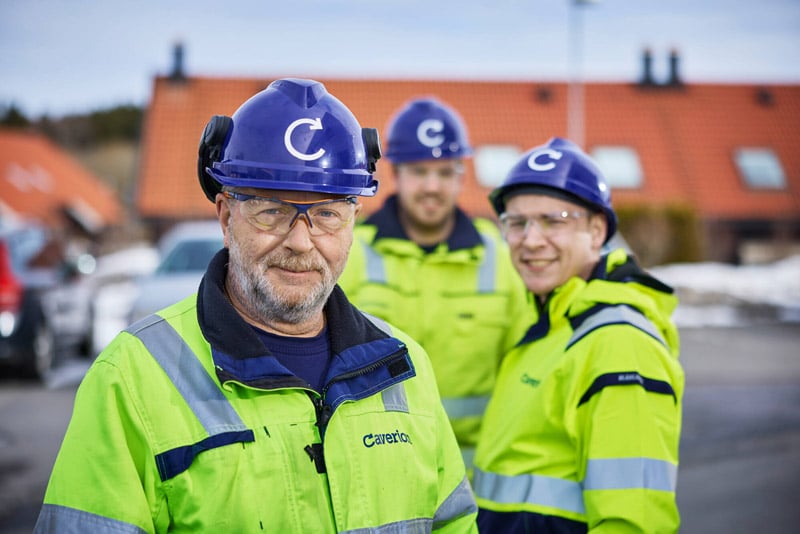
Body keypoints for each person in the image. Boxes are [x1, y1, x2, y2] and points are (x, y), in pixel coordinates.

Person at [35, 78, 478, 533]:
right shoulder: (131, 378)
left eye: (326, 213)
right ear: (226, 217)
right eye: (272, 211)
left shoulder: (405, 366)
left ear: (353, 222)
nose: (302, 242)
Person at [472, 137, 685, 532]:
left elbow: (633, 522)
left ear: (597, 231)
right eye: (517, 223)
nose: (531, 240)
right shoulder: (549, 326)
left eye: (554, 220)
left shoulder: (619, 343)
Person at [338, 97, 532, 471]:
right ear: (396, 173)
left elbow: (524, 371)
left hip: (478, 478)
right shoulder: (352, 252)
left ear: (462, 175)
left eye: (444, 173)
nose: (432, 186)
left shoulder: (498, 255)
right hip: (380, 468)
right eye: (419, 171)